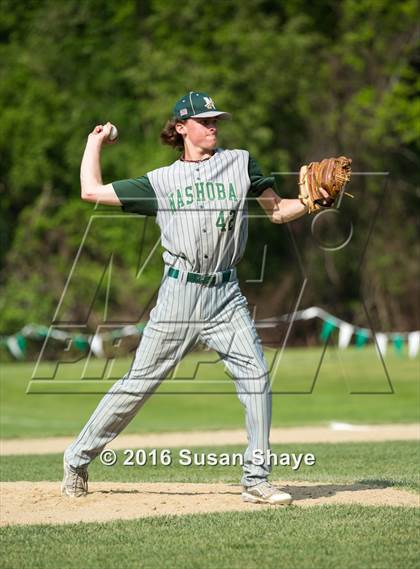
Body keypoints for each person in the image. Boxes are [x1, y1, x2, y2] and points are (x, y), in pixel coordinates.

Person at [62, 91, 315, 505]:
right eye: (204, 120)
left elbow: (276, 211)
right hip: (179, 294)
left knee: (256, 380)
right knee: (138, 385)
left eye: (216, 119)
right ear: (181, 128)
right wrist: (95, 140)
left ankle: (256, 479)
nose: (213, 125)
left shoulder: (241, 163)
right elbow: (90, 191)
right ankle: (77, 457)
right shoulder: (159, 182)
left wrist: (307, 202)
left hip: (225, 295)